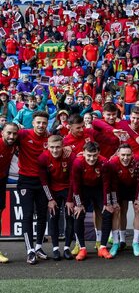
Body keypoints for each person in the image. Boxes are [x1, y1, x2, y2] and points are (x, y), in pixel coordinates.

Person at [17, 111, 51, 265]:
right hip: (26, 181)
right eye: (38, 122)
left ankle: (38, 247)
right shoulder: (23, 135)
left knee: (43, 215)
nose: (41, 125)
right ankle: (29, 250)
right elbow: (8, 136)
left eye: (44, 123)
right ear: (33, 122)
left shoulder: (49, 138)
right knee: (28, 215)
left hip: (43, 181)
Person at [100, 144, 139, 258]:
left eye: (128, 155)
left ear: (132, 155)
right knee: (118, 211)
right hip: (118, 189)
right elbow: (110, 184)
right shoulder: (112, 163)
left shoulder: (138, 161)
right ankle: (117, 242)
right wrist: (113, 200)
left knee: (138, 210)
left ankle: (136, 242)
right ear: (118, 154)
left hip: (134, 188)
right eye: (123, 155)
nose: (125, 158)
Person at [38, 135, 76, 261]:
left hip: (68, 189)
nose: (55, 150)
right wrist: (50, 199)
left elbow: (73, 180)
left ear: (63, 146)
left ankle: (66, 248)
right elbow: (44, 181)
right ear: (47, 147)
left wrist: (70, 199)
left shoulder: (70, 156)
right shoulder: (43, 158)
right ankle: (55, 249)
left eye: (58, 147)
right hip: (53, 190)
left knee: (70, 216)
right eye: (52, 147)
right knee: (53, 217)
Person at [71, 142, 108, 261]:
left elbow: (106, 184)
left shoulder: (104, 162)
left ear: (99, 154)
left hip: (98, 189)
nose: (92, 159)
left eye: (94, 156)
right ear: (83, 154)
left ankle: (102, 246)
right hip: (83, 190)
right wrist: (79, 204)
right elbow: (75, 185)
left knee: (107, 212)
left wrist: (107, 203)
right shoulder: (77, 163)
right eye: (89, 156)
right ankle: (82, 248)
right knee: (78, 214)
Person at [0, 123, 19, 263]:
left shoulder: (14, 144)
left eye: (14, 133)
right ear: (2, 133)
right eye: (8, 133)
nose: (11, 136)